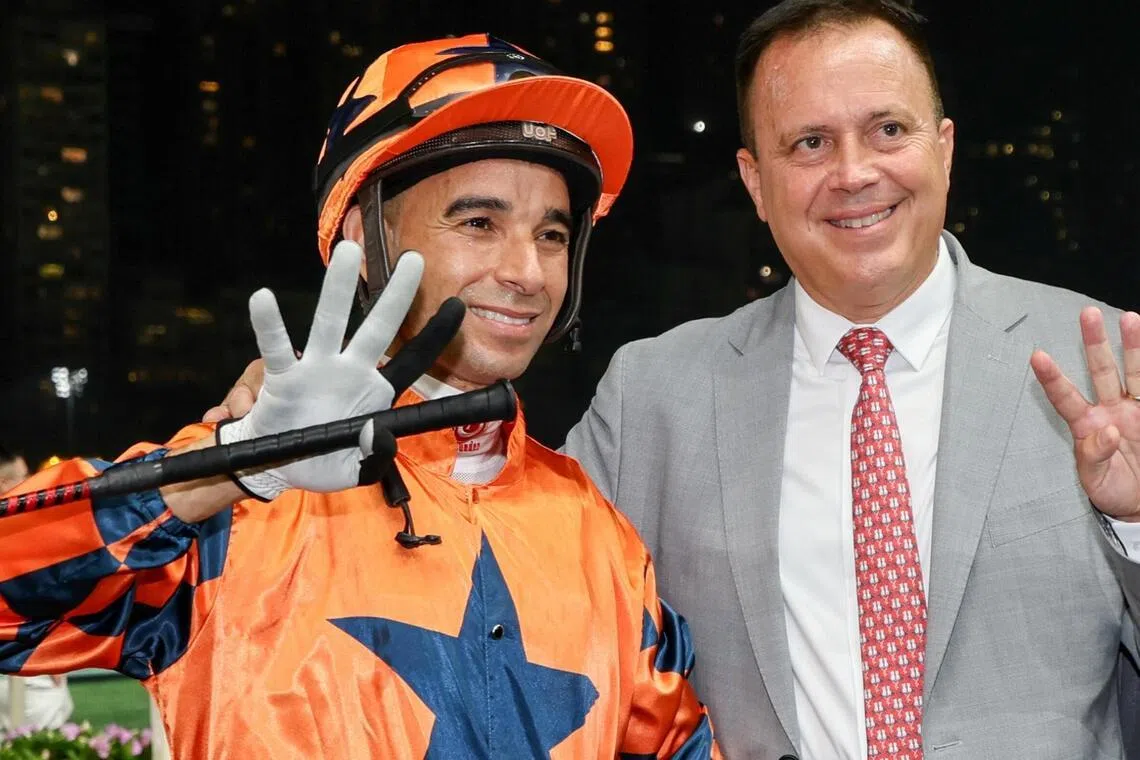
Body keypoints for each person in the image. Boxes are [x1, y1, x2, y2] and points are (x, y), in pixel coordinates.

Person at [205, 5, 1140, 758]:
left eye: (886, 129)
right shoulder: (658, 393)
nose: (854, 173)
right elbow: (488, 546)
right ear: (754, 180)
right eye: (807, 144)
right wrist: (251, 454)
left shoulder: (1111, 361)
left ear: (942, 146)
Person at [0, 35, 720, 758]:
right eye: (479, 223)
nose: (528, 271)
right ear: (363, 236)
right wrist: (233, 468)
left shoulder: (603, 535)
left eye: (553, 234)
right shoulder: (227, 510)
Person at [0, 445, 75, 733]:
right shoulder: (26, 532)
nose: (31, 480)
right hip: (29, 670)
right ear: (5, 484)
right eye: (24, 475)